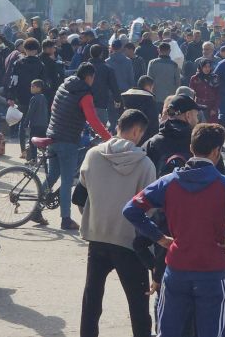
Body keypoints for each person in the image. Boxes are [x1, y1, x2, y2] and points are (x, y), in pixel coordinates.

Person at [123, 123, 225, 337]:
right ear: (217, 151)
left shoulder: (168, 182)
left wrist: (160, 238)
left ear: (191, 148)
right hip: (212, 272)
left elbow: (131, 210)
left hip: (177, 269)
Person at [77, 110, 156, 337]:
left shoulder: (92, 154)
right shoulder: (145, 164)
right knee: (138, 304)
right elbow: (149, 208)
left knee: (92, 299)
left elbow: (82, 191)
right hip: (130, 242)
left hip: (97, 236)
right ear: (135, 131)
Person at [44, 63, 112, 230]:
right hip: (67, 140)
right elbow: (93, 119)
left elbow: (54, 107)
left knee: (52, 174)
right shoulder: (85, 94)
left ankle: (35, 209)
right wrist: (108, 138)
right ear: (89, 77)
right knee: (67, 180)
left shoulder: (64, 84)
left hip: (52, 135)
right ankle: (65, 219)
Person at [143, 94, 203, 176]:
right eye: (196, 115)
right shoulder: (199, 143)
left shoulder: (152, 143)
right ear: (188, 115)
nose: (197, 120)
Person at [88, 44, 121, 129]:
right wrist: (117, 100)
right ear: (101, 54)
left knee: (87, 127)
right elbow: (114, 86)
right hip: (101, 101)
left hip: (85, 101)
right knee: (100, 127)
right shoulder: (107, 68)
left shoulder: (84, 67)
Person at [121, 75, 158, 145]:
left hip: (124, 136)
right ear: (149, 86)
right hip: (142, 139)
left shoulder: (125, 96)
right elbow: (153, 123)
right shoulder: (149, 99)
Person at [21, 79, 50, 164]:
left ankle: (33, 159)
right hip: (44, 124)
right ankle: (45, 159)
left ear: (39, 88)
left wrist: (26, 122)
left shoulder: (34, 98)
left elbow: (30, 112)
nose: (31, 88)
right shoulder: (44, 98)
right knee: (43, 143)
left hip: (35, 124)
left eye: (33, 86)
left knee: (32, 142)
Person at [148, 42, 181, 114]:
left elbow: (149, 81)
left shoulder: (152, 63)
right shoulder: (174, 65)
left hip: (155, 97)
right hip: (170, 98)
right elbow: (178, 82)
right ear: (169, 51)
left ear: (158, 50)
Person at [189, 58, 220, 123]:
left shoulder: (214, 78)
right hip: (199, 107)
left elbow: (218, 94)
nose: (207, 69)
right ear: (201, 67)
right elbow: (191, 94)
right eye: (205, 67)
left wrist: (214, 108)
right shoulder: (195, 78)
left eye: (209, 67)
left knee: (211, 128)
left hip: (211, 107)